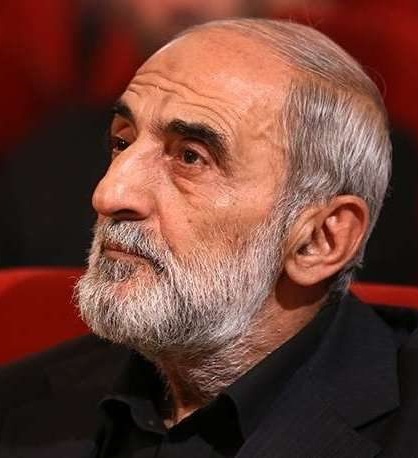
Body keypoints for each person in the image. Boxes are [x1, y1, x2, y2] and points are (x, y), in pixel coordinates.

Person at [1, 18, 418, 458]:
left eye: (190, 157)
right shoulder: (17, 404)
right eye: (122, 142)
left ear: (318, 240)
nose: (109, 193)